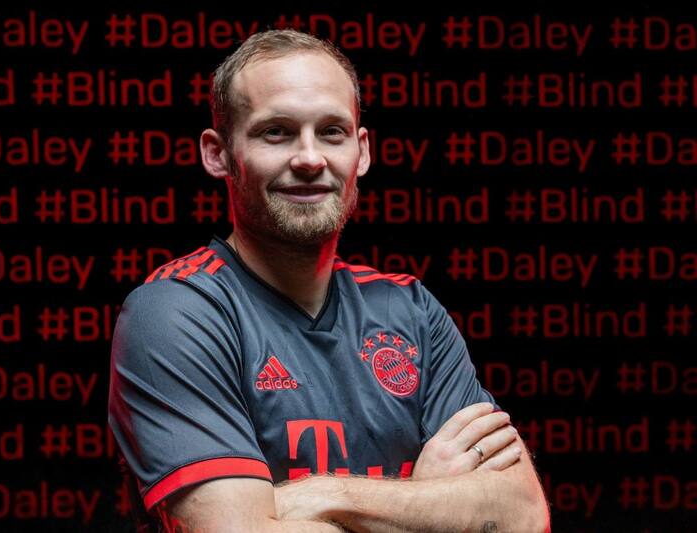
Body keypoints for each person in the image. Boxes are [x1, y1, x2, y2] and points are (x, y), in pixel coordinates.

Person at [108, 29, 550, 532]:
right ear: (218, 153)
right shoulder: (176, 313)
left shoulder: (411, 310)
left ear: (361, 152)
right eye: (276, 132)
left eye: (331, 132)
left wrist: (321, 497)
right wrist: (424, 502)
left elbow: (522, 515)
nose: (310, 158)